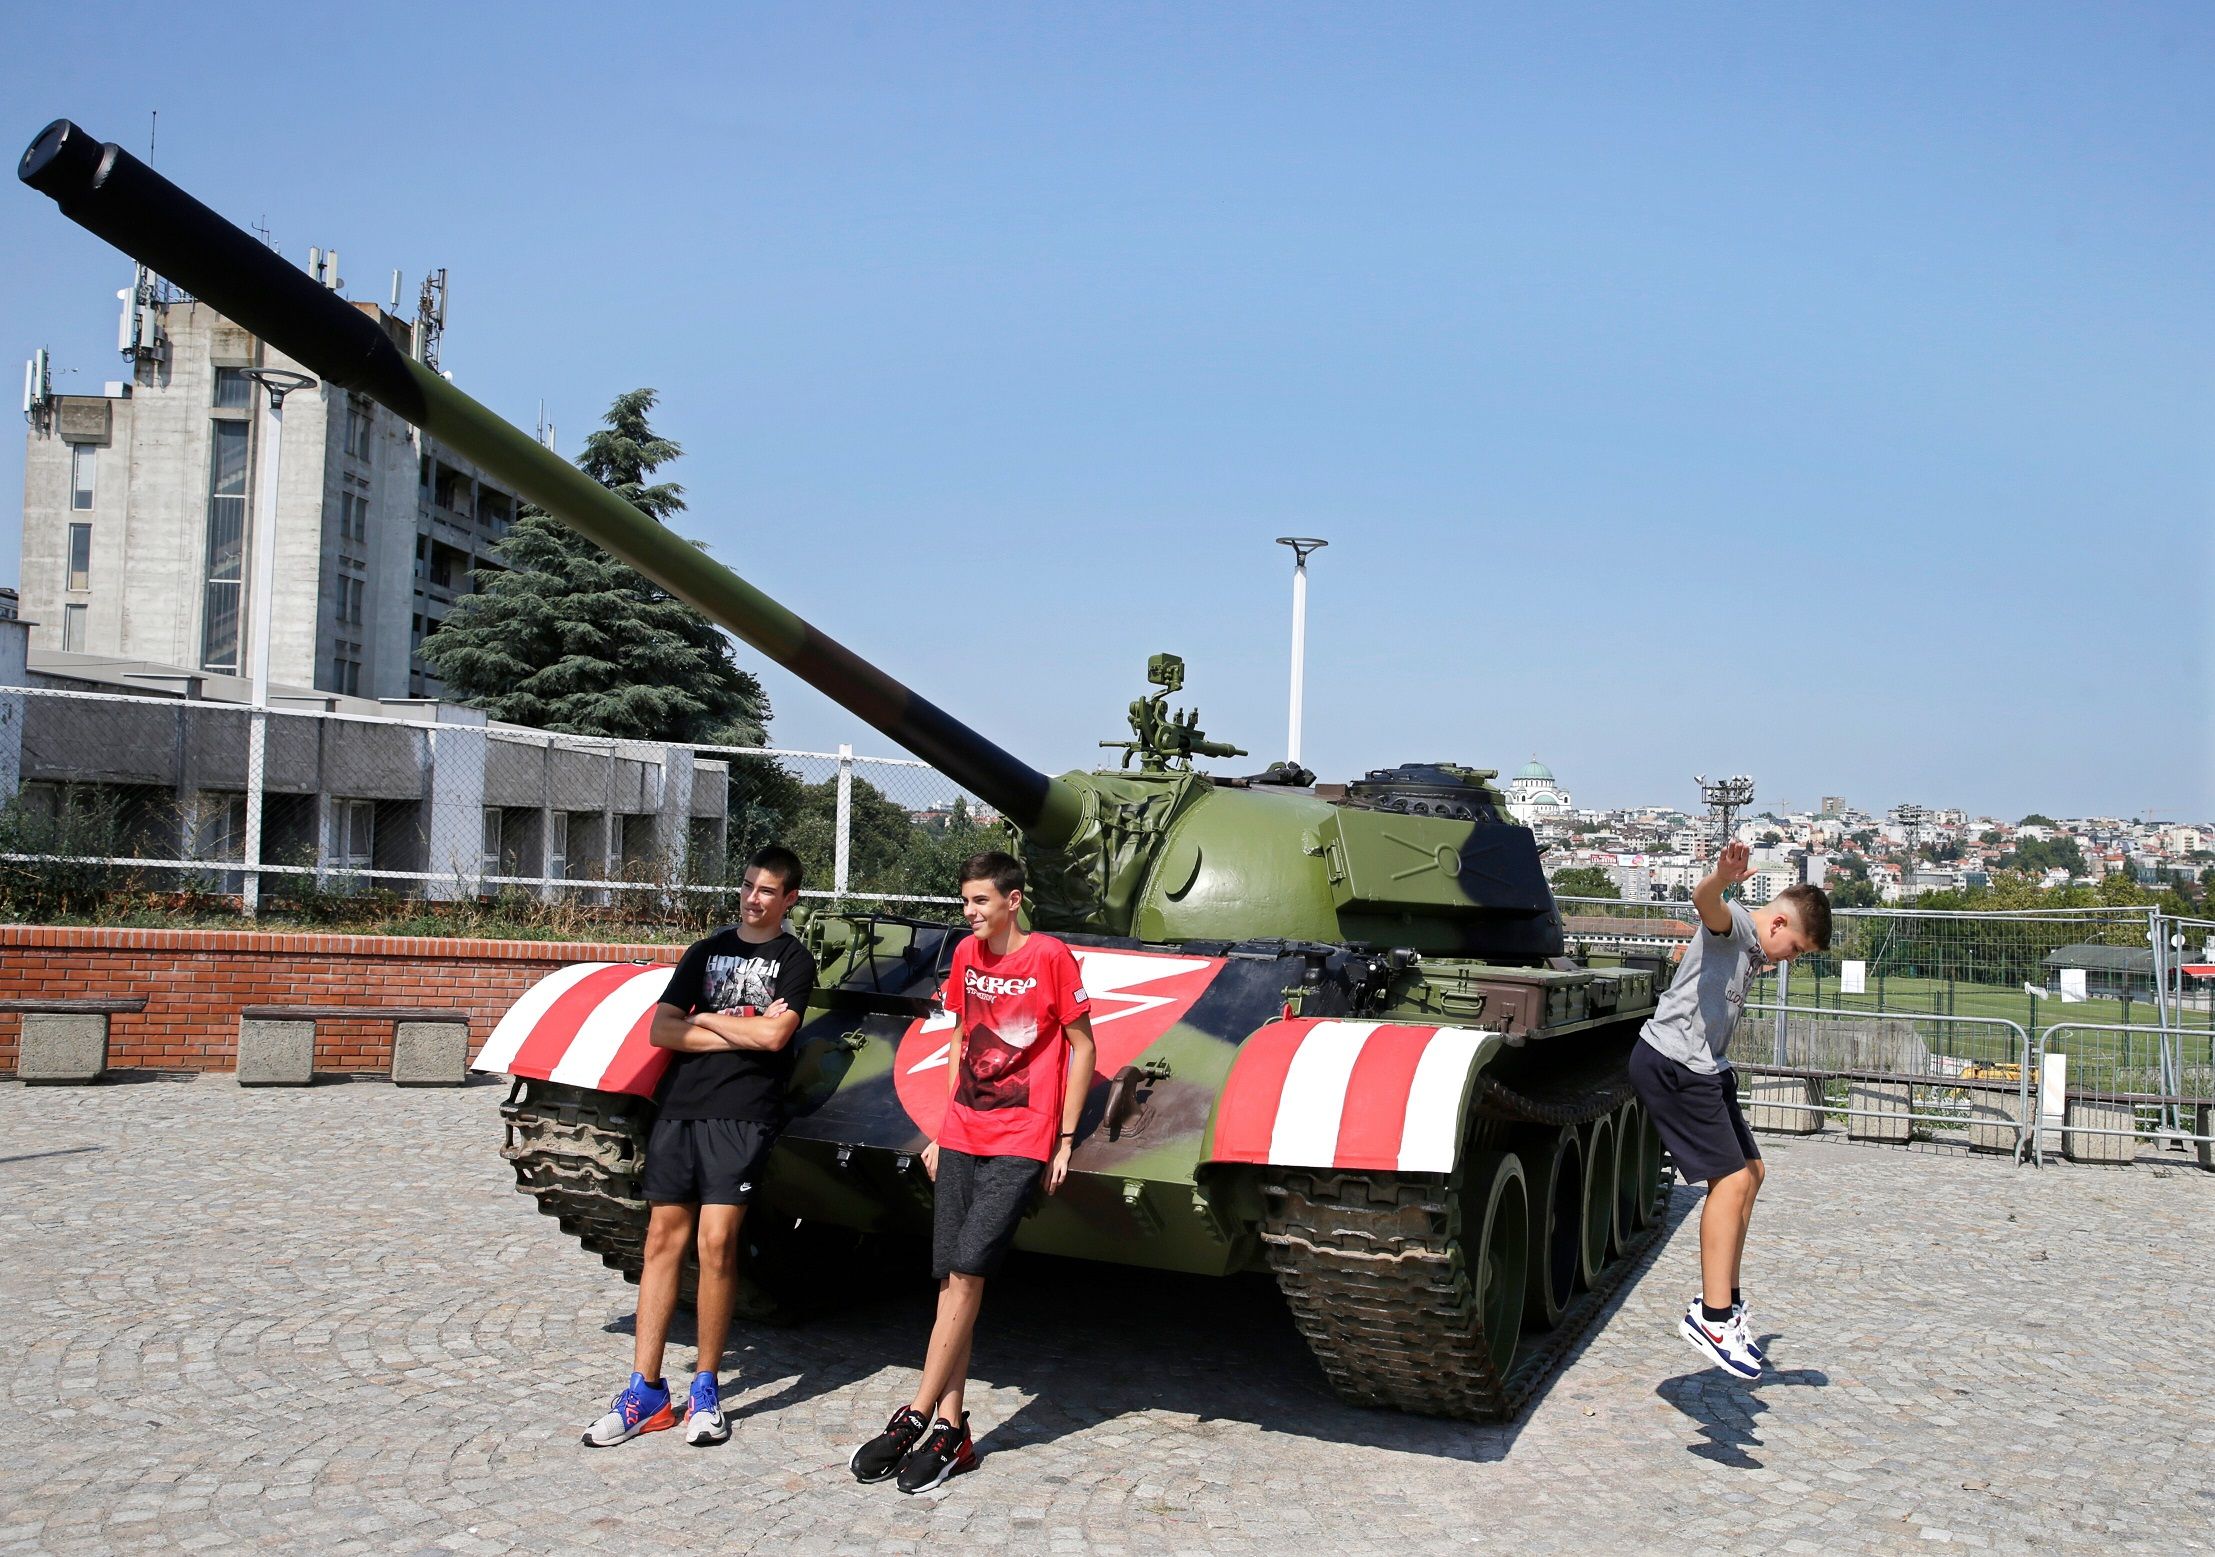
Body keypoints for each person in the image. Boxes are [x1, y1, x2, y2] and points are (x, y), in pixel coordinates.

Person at [849, 851, 1096, 1494]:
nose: (970, 913)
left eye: (980, 901)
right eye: (965, 902)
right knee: (949, 1283)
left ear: (1014, 899)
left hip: (1021, 1136)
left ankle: (916, 1414)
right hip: (962, 1129)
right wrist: (938, 1126)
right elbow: (960, 1037)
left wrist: (1064, 1138)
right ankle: (954, 1432)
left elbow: (1083, 1045)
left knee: (967, 1273)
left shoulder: (1049, 957)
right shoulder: (966, 955)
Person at [581, 846, 817, 1448]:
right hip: (682, 1109)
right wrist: (734, 1025)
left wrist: (706, 1021)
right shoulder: (706, 951)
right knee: (661, 1240)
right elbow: (661, 1028)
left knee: (716, 1244)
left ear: (789, 899)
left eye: (767, 890)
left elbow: (775, 1037)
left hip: (743, 1116)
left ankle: (706, 1388)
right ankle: (646, 1391)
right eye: (746, 886)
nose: (752, 898)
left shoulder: (794, 959)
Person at [1630, 839, 1829, 1380]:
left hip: (1707, 1067)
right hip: (1674, 1062)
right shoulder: (1738, 925)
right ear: (1780, 922)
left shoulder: (1753, 946)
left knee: (1753, 1172)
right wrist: (1719, 879)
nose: (1792, 960)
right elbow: (1706, 904)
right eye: (1798, 950)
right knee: (1731, 1182)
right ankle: (1712, 1318)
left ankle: (1728, 1305)